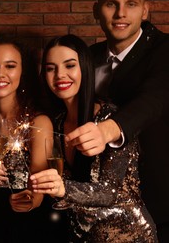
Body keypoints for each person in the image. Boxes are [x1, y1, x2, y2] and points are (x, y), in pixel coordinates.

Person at [64, 0, 169, 241]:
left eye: (131, 4)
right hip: (96, 209)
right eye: (112, 4)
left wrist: (106, 130)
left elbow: (153, 100)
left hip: (158, 200)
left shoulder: (165, 49)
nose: (121, 13)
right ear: (96, 11)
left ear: (145, 10)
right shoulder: (88, 57)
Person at [30, 34, 157, 242]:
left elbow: (110, 192)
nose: (60, 75)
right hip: (85, 236)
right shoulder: (57, 123)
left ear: (85, 69)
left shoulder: (111, 119)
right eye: (51, 68)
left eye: (69, 65)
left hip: (128, 236)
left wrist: (63, 188)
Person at [0, 31, 67, 242]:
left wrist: (30, 200)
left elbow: (39, 183)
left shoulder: (38, 122)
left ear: (22, 71)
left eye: (10, 66)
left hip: (23, 222)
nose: (0, 74)